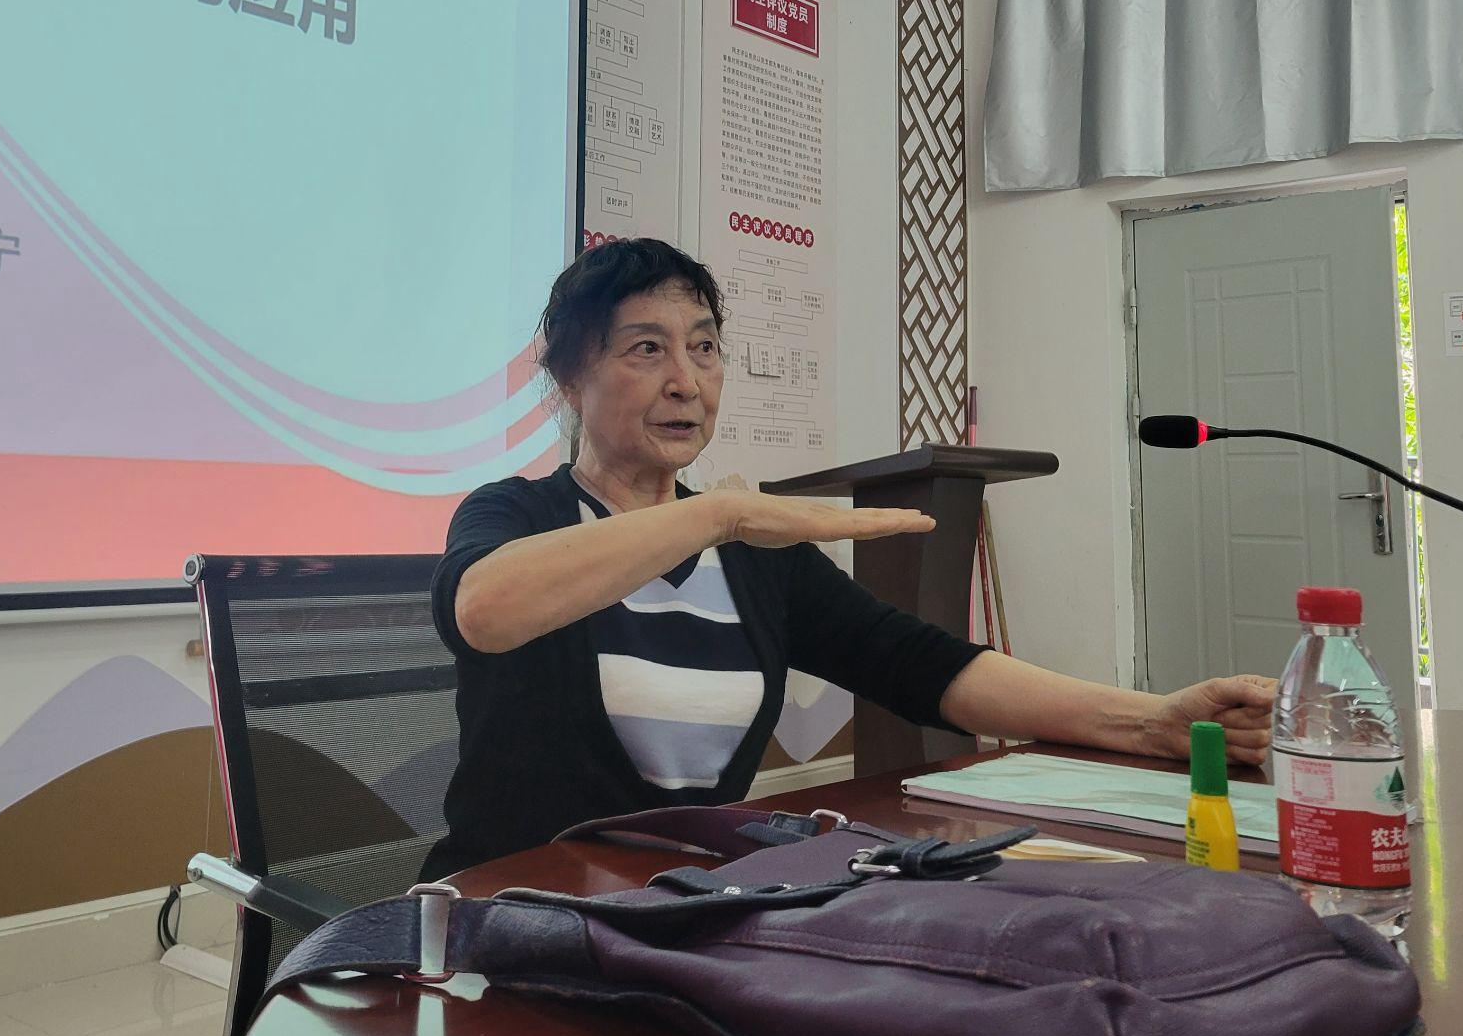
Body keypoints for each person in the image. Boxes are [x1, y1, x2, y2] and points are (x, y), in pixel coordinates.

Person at [424, 239, 1274, 878]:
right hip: (507, 907)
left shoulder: (755, 556)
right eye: (646, 349)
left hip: (687, 908)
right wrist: (719, 511)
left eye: (704, 347)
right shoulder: (518, 514)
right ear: (569, 380)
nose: (686, 380)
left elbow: (920, 664)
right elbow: (485, 612)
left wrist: (1152, 720)